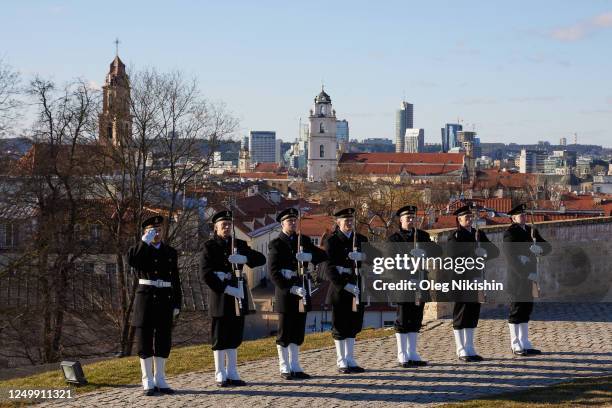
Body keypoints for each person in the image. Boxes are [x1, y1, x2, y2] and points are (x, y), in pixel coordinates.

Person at [201, 210, 266, 387]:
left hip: (238, 295)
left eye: (229, 224)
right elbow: (206, 274)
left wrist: (244, 257)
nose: (227, 227)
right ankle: (220, 373)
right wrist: (225, 287)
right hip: (221, 295)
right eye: (224, 225)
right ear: (216, 228)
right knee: (220, 335)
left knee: (235, 334)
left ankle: (233, 372)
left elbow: (261, 259)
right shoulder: (209, 246)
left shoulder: (239, 244)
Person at [268, 207, 328, 379]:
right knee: (285, 331)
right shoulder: (276, 244)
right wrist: (290, 288)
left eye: (295, 221)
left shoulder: (304, 240)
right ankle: (284, 367)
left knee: (297, 330)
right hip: (286, 293)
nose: (293, 223)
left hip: (302, 290)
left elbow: (322, 256)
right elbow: (273, 272)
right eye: (289, 221)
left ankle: (295, 365)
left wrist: (309, 257)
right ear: (282, 224)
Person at [128, 215, 182, 396]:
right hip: (146, 299)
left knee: (163, 340)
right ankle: (147, 381)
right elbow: (132, 261)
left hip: (165, 299)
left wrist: (177, 303)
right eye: (152, 230)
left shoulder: (170, 252)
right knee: (144, 340)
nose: (157, 233)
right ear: (145, 233)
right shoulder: (141, 250)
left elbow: (175, 279)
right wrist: (144, 242)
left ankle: (160, 379)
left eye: (159, 230)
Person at [388, 205, 442, 367]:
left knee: (416, 318)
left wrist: (424, 252)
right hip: (403, 283)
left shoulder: (422, 236)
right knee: (403, 318)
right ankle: (402, 354)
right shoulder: (394, 239)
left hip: (420, 282)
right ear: (401, 220)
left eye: (413, 218)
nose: (411, 221)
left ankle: (412, 352)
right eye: (408, 218)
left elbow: (438, 250)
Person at [447, 203, 499, 362]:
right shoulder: (455, 236)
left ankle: (470, 347)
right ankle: (460, 349)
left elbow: (494, 251)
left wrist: (484, 253)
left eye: (470, 217)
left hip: (477, 278)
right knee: (461, 313)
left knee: (472, 313)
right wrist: (473, 252)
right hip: (461, 279)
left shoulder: (478, 235)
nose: (469, 219)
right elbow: (452, 256)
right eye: (466, 217)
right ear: (459, 220)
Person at [503, 203, 552, 356]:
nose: (523, 217)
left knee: (526, 310)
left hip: (531, 276)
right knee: (516, 310)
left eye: (524, 214)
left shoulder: (531, 231)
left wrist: (540, 249)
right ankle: (515, 344)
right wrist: (525, 274)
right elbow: (511, 258)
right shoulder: (510, 233)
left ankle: (525, 342)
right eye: (520, 215)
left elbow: (547, 247)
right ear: (513, 218)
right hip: (517, 278)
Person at [323, 207, 368, 373]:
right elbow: (329, 268)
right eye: (345, 220)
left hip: (357, 286)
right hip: (340, 288)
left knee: (354, 324)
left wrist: (363, 257)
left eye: (351, 220)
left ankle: (350, 358)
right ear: (338, 222)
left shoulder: (361, 239)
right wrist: (344, 285)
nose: (349, 223)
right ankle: (341, 360)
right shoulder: (332, 241)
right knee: (340, 325)